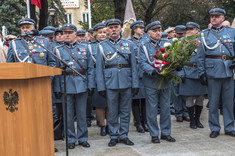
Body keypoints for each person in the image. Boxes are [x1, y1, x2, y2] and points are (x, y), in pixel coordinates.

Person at [96, 19, 139, 147]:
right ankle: (113, 136)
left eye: (116, 27)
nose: (113, 29)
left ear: (120, 29)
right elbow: (99, 68)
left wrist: (135, 83)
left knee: (126, 111)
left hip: (126, 81)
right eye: (111, 28)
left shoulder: (129, 44)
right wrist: (101, 86)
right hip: (110, 83)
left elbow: (134, 66)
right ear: (107, 30)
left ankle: (124, 135)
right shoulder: (101, 46)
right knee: (113, 112)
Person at [54, 23, 95, 148]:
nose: (67, 35)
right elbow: (55, 71)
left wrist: (91, 84)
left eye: (70, 32)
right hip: (65, 84)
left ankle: (83, 138)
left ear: (75, 34)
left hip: (81, 84)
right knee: (68, 115)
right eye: (64, 32)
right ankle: (70, 139)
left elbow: (90, 69)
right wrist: (57, 87)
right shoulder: (57, 50)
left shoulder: (85, 48)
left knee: (82, 113)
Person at [197, 8, 235, 138]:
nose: (213, 18)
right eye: (212, 16)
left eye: (216, 16)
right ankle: (214, 128)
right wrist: (201, 72)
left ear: (223, 18)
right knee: (213, 103)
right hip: (212, 71)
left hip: (229, 71)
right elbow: (200, 56)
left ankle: (229, 127)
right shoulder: (204, 34)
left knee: (228, 102)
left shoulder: (232, 32)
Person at [139, 21, 176, 144]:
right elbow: (142, 62)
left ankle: (166, 133)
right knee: (152, 109)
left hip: (165, 80)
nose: (158, 33)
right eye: (155, 31)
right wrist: (153, 71)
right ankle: (154, 134)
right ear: (149, 33)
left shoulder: (167, 44)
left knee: (166, 108)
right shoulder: (143, 45)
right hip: (151, 81)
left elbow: (173, 59)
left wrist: (174, 67)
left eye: (159, 30)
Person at [179, 22, 208, 129]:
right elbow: (178, 60)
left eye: (191, 29)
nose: (188, 31)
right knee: (189, 97)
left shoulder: (202, 41)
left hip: (200, 72)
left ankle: (197, 119)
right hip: (187, 72)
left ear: (197, 30)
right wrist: (180, 73)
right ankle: (192, 120)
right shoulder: (182, 42)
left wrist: (204, 73)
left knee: (200, 97)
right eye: (187, 29)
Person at [88, 23, 109, 136]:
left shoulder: (110, 45)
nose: (102, 34)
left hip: (110, 76)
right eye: (100, 32)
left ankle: (110, 123)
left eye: (104, 32)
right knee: (100, 103)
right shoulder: (90, 46)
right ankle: (102, 125)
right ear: (95, 34)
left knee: (110, 102)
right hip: (97, 77)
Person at [129, 20, 149, 133]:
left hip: (145, 71)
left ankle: (145, 121)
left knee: (145, 99)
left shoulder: (146, 40)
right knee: (136, 99)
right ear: (134, 29)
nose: (142, 29)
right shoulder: (129, 42)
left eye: (143, 27)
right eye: (139, 27)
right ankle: (138, 123)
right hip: (135, 71)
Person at [171, 25, 190, 122]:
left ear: (185, 33)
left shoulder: (189, 43)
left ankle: (186, 112)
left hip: (186, 71)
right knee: (176, 93)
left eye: (181, 34)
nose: (179, 36)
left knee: (185, 93)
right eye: (178, 34)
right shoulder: (171, 43)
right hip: (174, 71)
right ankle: (178, 113)